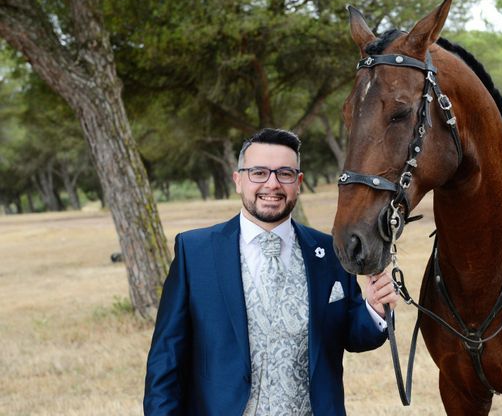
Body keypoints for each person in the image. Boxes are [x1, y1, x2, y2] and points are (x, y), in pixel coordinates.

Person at [144, 128, 399, 415]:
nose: (272, 184)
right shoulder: (195, 251)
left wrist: (375, 311)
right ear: (238, 180)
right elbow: (166, 360)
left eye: (285, 174)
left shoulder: (329, 251)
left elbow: (351, 335)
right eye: (259, 173)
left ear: (298, 182)